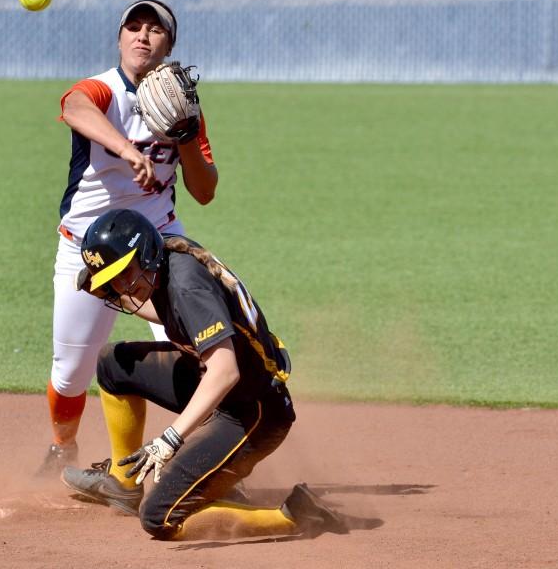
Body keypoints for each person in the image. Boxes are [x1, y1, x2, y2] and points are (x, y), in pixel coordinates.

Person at [60, 209, 348, 539]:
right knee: (113, 363)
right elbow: (173, 316)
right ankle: (123, 484)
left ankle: (298, 515)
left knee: (157, 517)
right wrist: (115, 290)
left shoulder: (186, 286)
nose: (122, 284)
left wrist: (169, 439)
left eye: (125, 273)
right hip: (218, 385)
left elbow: (225, 370)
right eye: (113, 278)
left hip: (252, 412)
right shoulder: (165, 256)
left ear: (144, 254)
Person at [40, 0, 219, 475]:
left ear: (169, 44)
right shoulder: (101, 90)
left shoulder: (183, 107)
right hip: (87, 248)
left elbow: (204, 192)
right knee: (72, 369)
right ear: (120, 39)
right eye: (133, 27)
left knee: (197, 350)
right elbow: (74, 107)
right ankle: (63, 448)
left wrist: (183, 134)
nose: (143, 35)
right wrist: (124, 147)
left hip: (158, 245)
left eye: (154, 29)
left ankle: (202, 461)